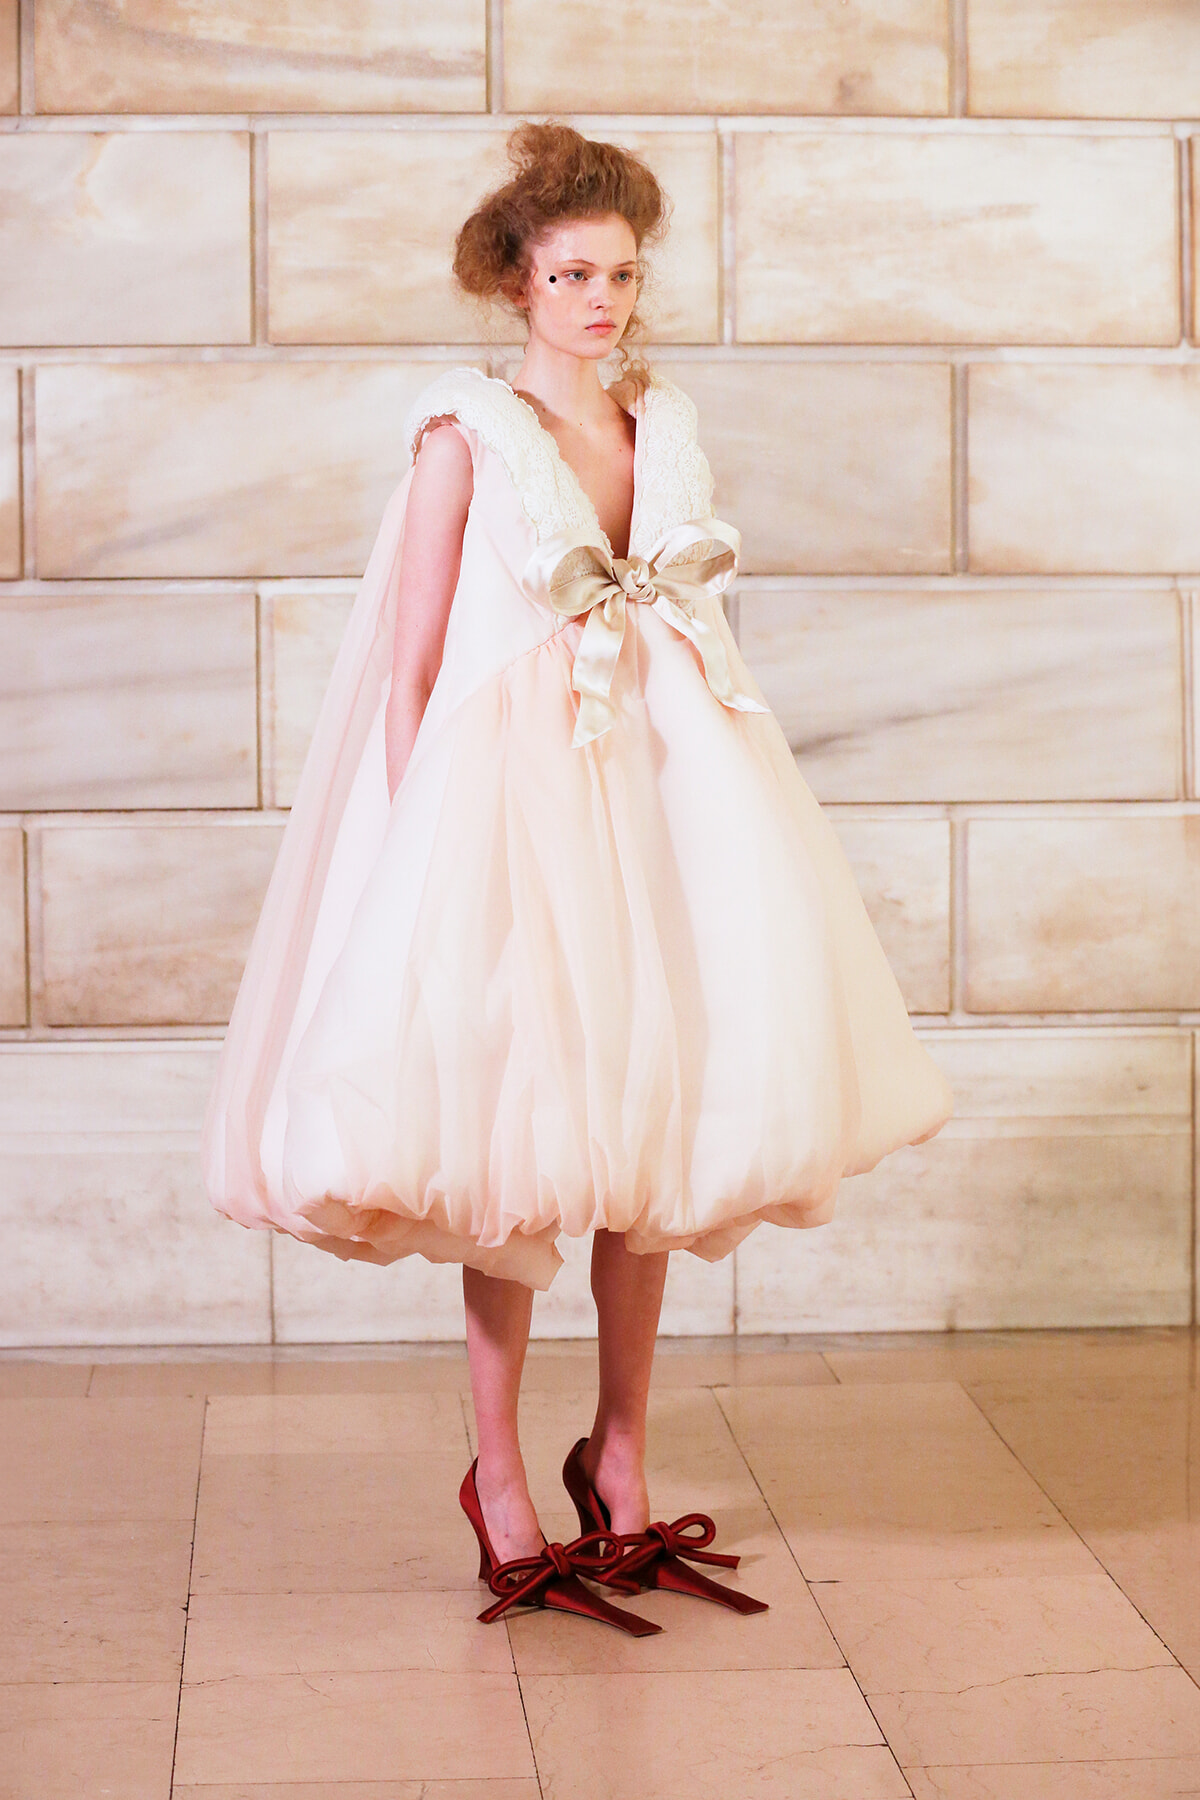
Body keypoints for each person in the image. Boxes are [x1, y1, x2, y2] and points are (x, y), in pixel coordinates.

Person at [201, 121, 953, 1635]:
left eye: (619, 273)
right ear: (515, 280)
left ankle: (619, 1461)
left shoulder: (658, 420)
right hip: (513, 811)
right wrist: (423, 851)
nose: (600, 300)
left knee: (648, 1138)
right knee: (521, 1144)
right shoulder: (464, 438)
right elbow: (410, 670)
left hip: (661, 793)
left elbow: (683, 618)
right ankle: (495, 1481)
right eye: (569, 274)